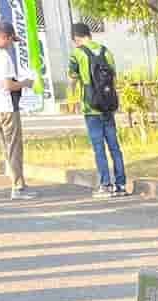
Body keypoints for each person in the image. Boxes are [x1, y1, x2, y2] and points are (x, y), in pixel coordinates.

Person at [68, 21, 127, 197]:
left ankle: (105, 185)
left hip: (90, 107)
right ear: (89, 34)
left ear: (76, 38)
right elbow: (113, 77)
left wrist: (73, 98)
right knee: (114, 147)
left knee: (99, 148)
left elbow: (72, 78)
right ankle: (121, 185)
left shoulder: (77, 53)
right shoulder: (106, 51)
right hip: (107, 106)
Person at [0, 20, 32, 200]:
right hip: (7, 108)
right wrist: (26, 83)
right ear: (3, 37)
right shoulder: (3, 57)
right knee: (14, 147)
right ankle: (18, 186)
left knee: (6, 147)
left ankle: (16, 181)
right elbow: (8, 85)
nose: (12, 44)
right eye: (11, 40)